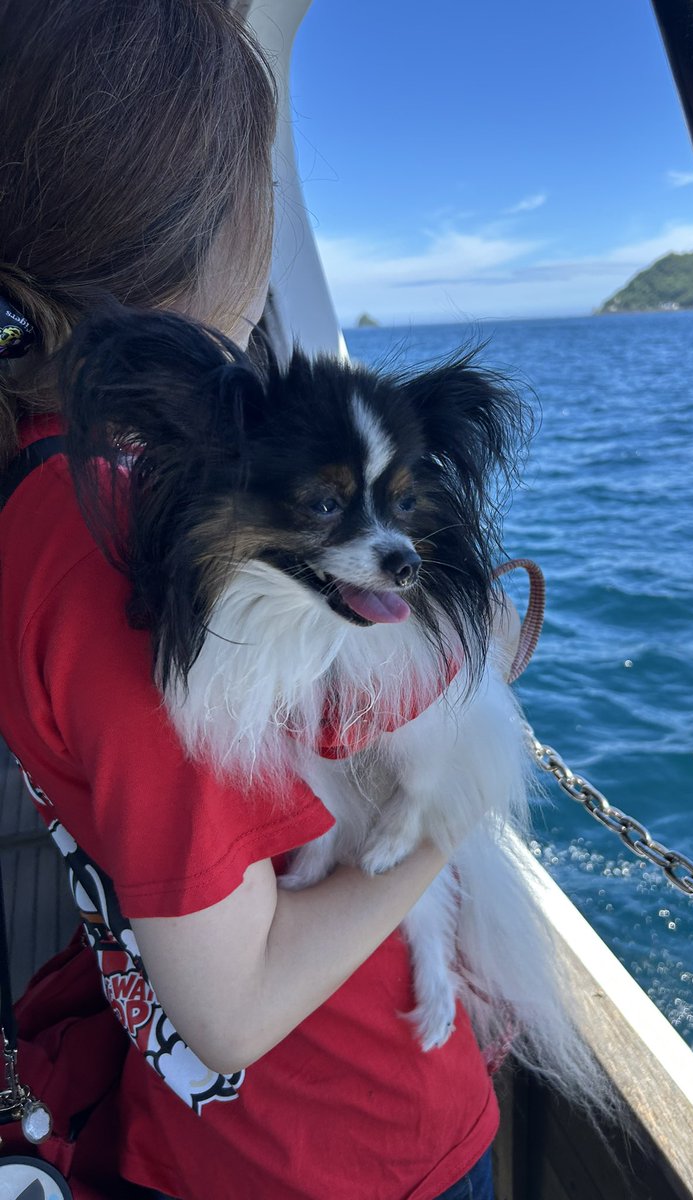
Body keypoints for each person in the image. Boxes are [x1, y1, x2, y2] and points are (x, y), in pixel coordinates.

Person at [0, 3, 509, 1197]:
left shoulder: (45, 480)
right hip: (346, 1140)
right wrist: (454, 798)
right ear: (219, 237)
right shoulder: (113, 541)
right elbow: (236, 1007)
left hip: (200, 1131)